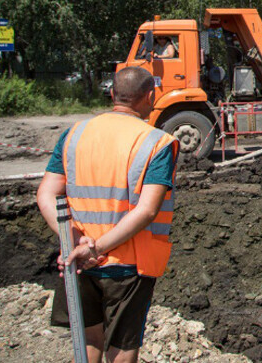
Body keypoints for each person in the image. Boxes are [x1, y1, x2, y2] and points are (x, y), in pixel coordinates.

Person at [36, 67, 178, 363]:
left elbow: (46, 194)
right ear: (150, 97)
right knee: (122, 347)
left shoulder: (73, 134)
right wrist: (97, 248)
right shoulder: (156, 142)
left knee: (88, 340)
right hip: (128, 263)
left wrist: (75, 242)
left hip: (77, 260)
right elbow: (147, 210)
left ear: (112, 94)